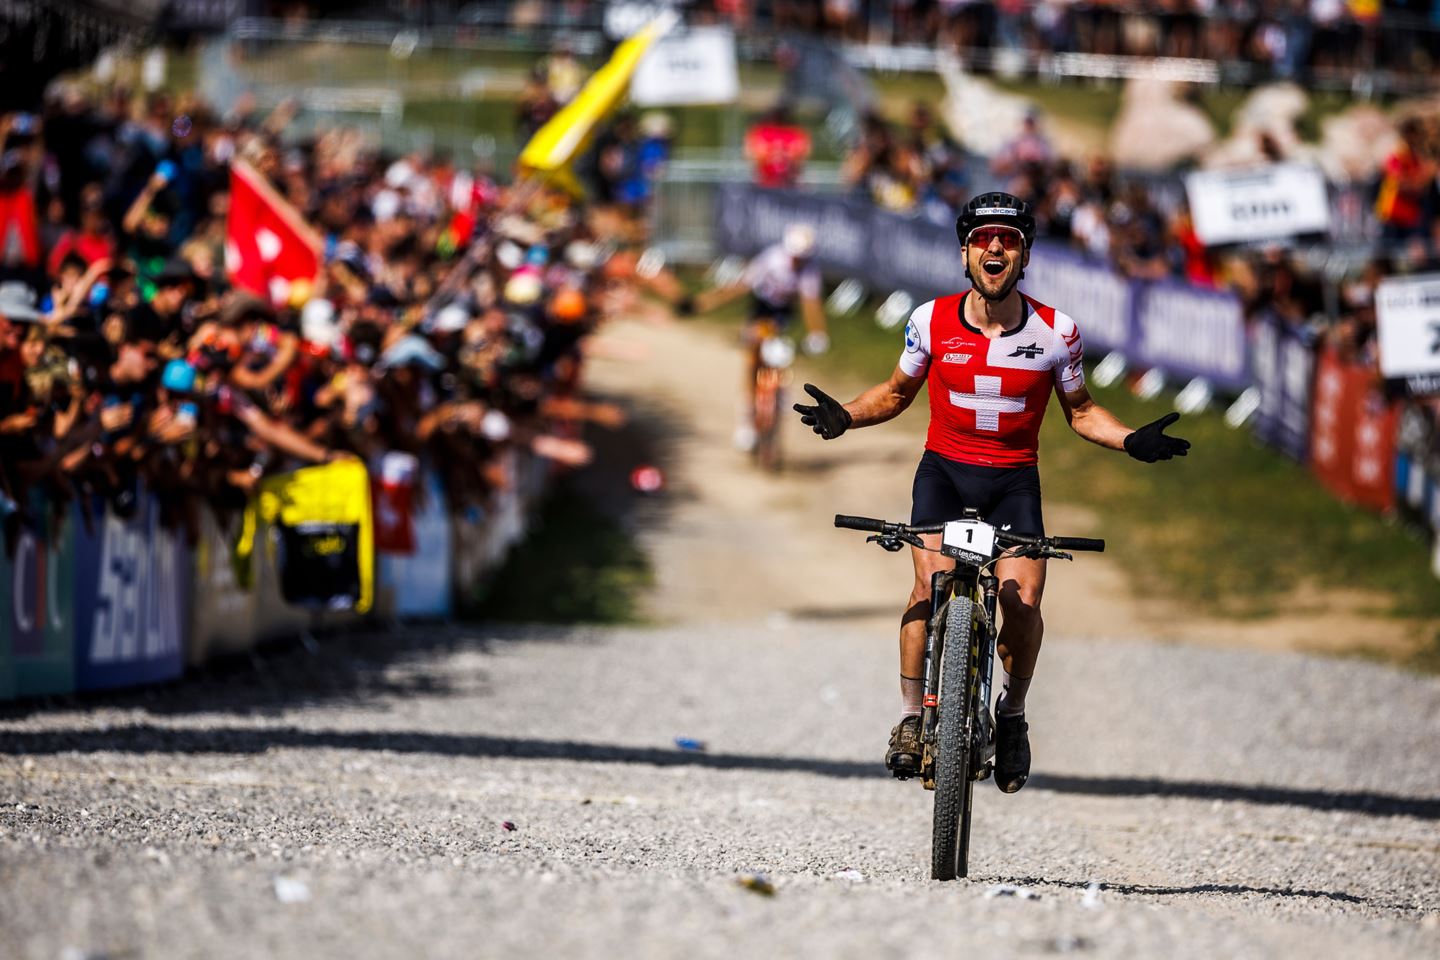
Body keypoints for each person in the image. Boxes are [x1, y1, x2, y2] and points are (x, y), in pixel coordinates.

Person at [792, 192, 1190, 792]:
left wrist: (1131, 440)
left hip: (1013, 483)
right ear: (965, 254)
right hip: (944, 474)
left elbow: (1080, 412)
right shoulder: (929, 320)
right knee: (927, 584)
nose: (995, 247)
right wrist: (846, 416)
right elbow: (897, 394)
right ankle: (908, 718)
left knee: (1022, 606)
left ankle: (1012, 716)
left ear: (1024, 253)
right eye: (983, 238)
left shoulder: (1060, 333)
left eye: (1007, 238)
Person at [688, 223, 830, 451]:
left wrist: (818, 333)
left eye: (801, 257)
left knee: (781, 354)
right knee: (754, 355)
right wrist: (705, 302)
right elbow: (740, 285)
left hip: (783, 315)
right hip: (761, 309)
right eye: (794, 256)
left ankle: (779, 393)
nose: (797, 261)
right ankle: (747, 418)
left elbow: (810, 303)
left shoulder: (809, 269)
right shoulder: (772, 259)